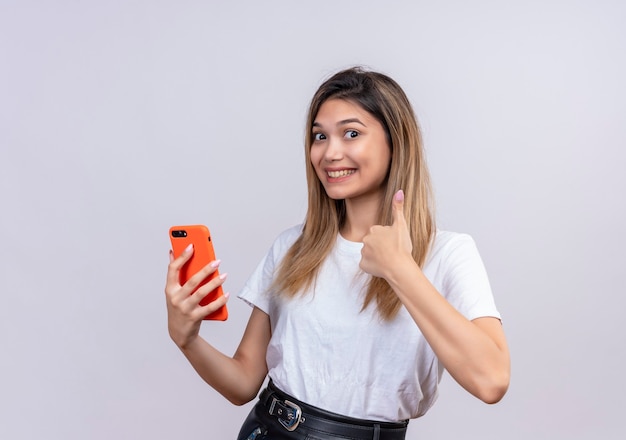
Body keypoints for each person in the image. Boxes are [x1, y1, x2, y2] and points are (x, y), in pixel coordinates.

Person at [165, 67, 510, 440]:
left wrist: (400, 269)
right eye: (319, 136)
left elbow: (490, 381)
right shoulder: (292, 247)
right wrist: (188, 340)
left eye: (351, 133)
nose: (330, 152)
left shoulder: (449, 253)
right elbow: (243, 383)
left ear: (395, 142)